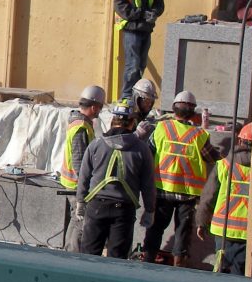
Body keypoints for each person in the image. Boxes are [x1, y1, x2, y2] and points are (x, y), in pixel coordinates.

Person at [142, 90, 220, 267]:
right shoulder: (199, 135)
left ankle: (147, 260)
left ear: (173, 109)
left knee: (155, 228)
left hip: (162, 190)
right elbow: (213, 158)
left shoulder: (161, 128)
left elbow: (149, 153)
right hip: (187, 195)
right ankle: (178, 265)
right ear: (193, 112)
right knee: (182, 231)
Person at [196, 123, 252, 276]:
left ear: (240, 141)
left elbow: (208, 196)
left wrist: (201, 222)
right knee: (242, 273)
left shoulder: (224, 165)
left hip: (224, 231)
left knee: (221, 271)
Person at [76, 99, 156, 259]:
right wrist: (149, 210)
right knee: (116, 260)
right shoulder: (142, 149)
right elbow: (148, 184)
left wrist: (80, 201)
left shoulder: (96, 145)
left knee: (88, 257)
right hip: (123, 211)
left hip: (96, 206)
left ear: (113, 120)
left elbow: (84, 176)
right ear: (133, 122)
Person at [114, 0, 165, 100]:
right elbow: (122, 8)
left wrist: (155, 12)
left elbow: (159, 0)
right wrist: (143, 14)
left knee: (140, 65)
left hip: (145, 29)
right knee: (133, 65)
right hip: (131, 30)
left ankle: (136, 95)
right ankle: (127, 97)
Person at [60, 85, 106, 252]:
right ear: (94, 107)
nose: (99, 111)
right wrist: (85, 188)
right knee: (81, 221)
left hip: (72, 182)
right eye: (100, 107)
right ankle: (73, 256)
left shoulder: (80, 123)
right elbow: (79, 161)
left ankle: (68, 253)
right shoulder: (81, 127)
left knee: (75, 219)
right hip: (76, 184)